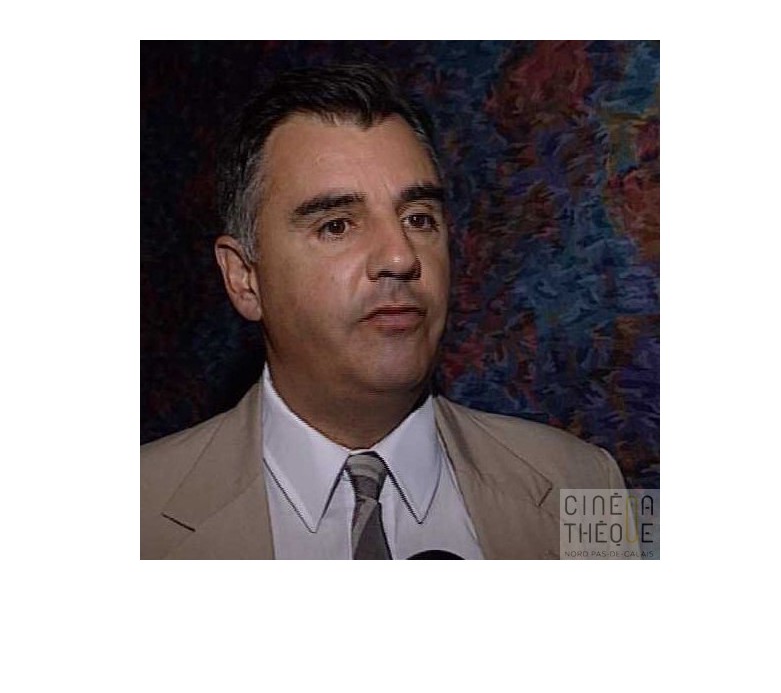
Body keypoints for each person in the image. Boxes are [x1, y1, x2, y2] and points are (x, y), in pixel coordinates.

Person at [140, 63, 628, 559]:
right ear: (245, 278)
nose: (400, 256)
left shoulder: (587, 484)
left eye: (418, 219)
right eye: (336, 225)